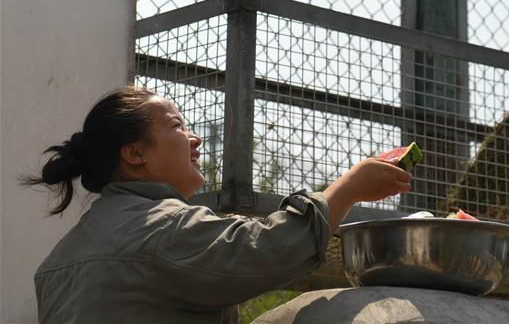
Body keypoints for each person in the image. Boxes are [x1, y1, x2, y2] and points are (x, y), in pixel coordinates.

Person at [24, 86, 412, 323]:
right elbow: (267, 250)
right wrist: (346, 190)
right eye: (176, 126)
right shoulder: (163, 228)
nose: (193, 139)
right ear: (134, 152)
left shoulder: (58, 260)